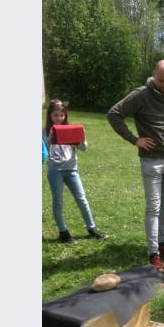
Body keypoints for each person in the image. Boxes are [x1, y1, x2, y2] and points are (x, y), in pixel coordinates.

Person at [107, 60, 164, 271]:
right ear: (154, 74)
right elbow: (114, 114)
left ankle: (161, 244)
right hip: (151, 162)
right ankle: (153, 253)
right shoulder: (141, 94)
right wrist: (135, 139)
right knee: (153, 207)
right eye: (161, 80)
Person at [45, 99, 107, 244]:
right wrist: (49, 139)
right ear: (49, 116)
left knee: (82, 199)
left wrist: (81, 138)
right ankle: (63, 232)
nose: (59, 118)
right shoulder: (44, 131)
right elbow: (44, 153)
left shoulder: (70, 129)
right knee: (58, 201)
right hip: (55, 171)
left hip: (72, 169)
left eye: (62, 115)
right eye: (55, 115)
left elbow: (83, 148)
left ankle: (92, 228)